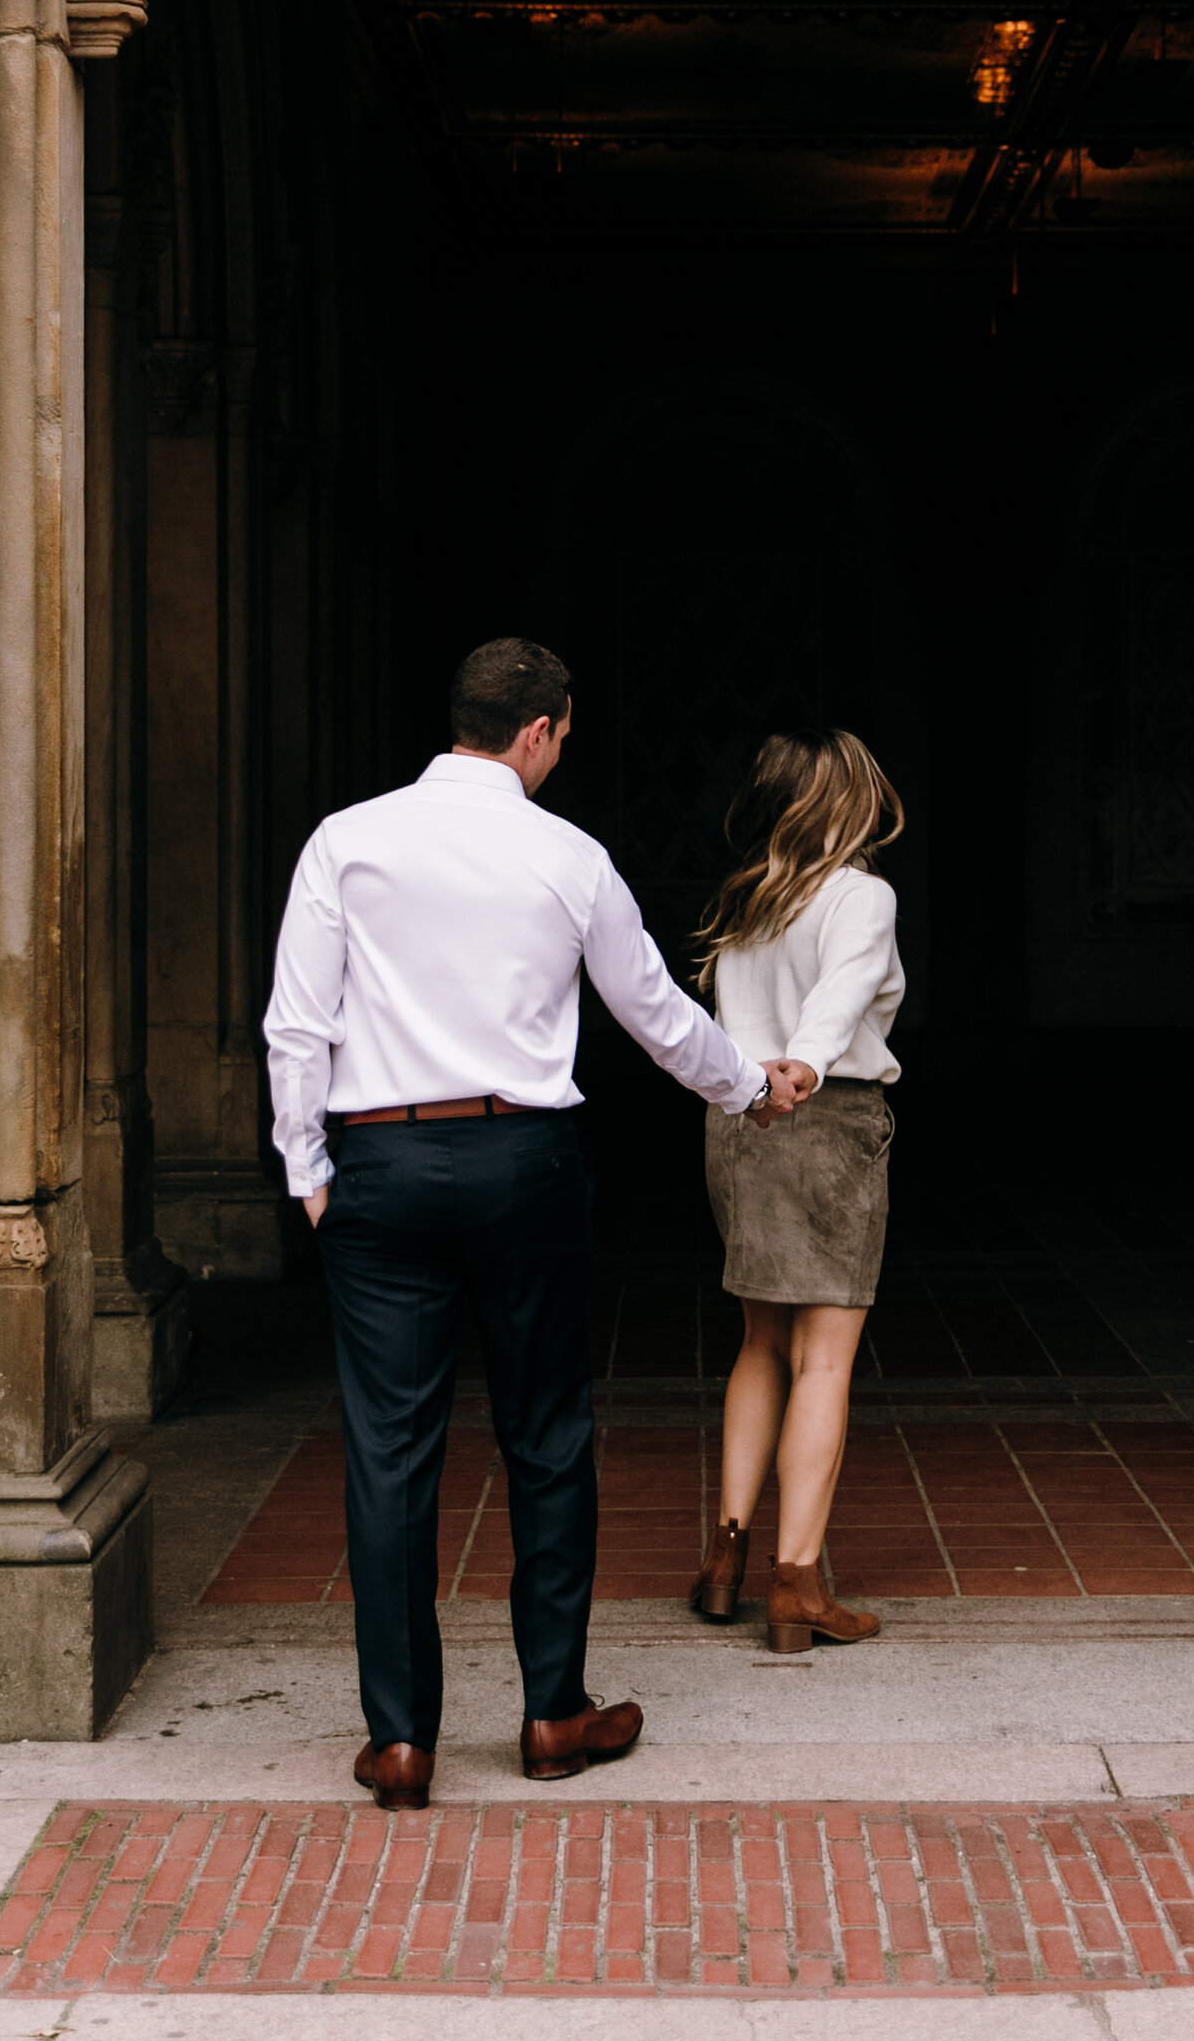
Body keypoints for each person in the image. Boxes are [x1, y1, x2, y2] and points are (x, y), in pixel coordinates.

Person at [263, 637, 815, 1811]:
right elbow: (654, 1009)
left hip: (383, 1160)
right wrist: (745, 1087)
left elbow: (296, 1026)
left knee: (389, 1454)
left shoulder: (346, 842)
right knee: (549, 1434)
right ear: (538, 733)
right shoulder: (566, 854)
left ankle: (401, 1739)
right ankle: (554, 1711)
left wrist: (311, 1170)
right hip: (522, 1162)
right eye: (564, 736)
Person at [687, 730, 905, 1654]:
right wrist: (807, 1069)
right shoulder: (861, 895)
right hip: (822, 1118)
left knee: (759, 1341)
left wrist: (768, 1079)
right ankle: (798, 1582)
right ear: (847, 800)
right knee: (825, 1358)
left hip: (738, 1121)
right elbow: (844, 993)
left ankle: (726, 1559)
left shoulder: (748, 897)